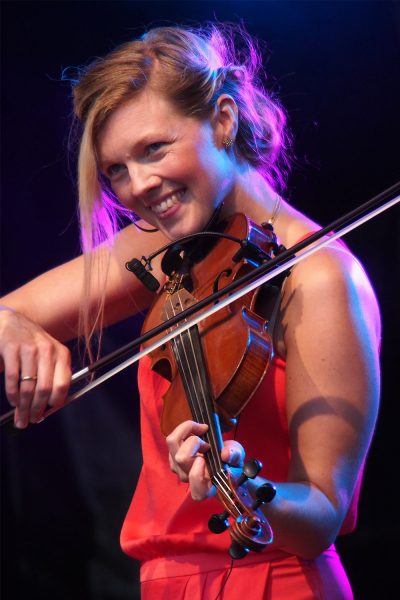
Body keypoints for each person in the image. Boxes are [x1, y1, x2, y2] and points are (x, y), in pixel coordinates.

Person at [0, 24, 380, 599]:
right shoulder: (165, 249)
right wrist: (18, 331)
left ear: (223, 120)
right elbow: (10, 312)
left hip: (272, 582)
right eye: (116, 171)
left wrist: (248, 487)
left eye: (154, 149)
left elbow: (324, 509)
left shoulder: (321, 276)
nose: (138, 187)